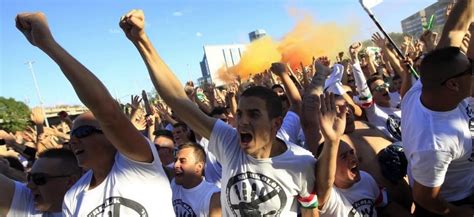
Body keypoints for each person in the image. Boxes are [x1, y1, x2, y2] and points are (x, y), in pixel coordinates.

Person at [121, 9, 319, 216]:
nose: (242, 121)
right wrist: (142, 41)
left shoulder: (301, 162)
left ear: (276, 124)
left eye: (254, 114)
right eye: (240, 113)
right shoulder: (229, 142)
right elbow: (177, 101)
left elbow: (310, 211)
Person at [15, 12, 174, 216]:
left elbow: (107, 112)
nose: (73, 141)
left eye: (82, 133)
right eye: (72, 136)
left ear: (110, 136)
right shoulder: (73, 197)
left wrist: (48, 44)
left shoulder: (139, 164)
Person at [402, 1, 474, 216]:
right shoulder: (433, 144)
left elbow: (454, 29)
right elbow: (425, 197)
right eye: (470, 70)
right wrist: (458, 213)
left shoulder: (429, 82)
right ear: (453, 84)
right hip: (454, 201)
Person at [314, 93, 412, 217]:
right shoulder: (332, 145)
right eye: (337, 109)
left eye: (345, 106)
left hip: (404, 199)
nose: (345, 111)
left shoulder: (367, 125)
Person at [0, 149, 82, 217]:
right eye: (29, 178)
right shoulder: (28, 199)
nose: (30, 185)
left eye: (39, 178)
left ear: (70, 181)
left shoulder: (88, 209)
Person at [171, 142, 221, 217]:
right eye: (176, 160)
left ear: (199, 167)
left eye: (183, 161)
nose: (175, 165)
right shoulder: (173, 185)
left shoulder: (213, 196)